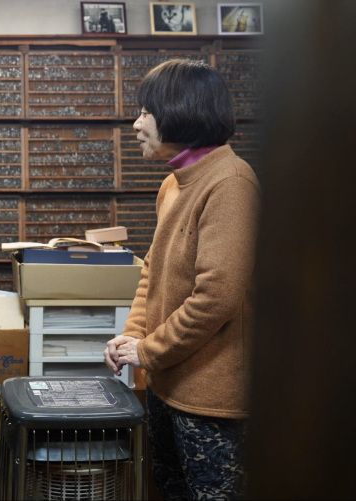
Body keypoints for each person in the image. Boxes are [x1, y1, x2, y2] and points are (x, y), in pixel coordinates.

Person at [103, 59, 259, 500]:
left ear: (181, 112)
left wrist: (148, 350)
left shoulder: (231, 183)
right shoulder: (173, 185)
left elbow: (216, 297)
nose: (136, 124)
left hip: (210, 401)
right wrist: (133, 334)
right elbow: (152, 270)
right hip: (165, 386)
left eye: (146, 112)